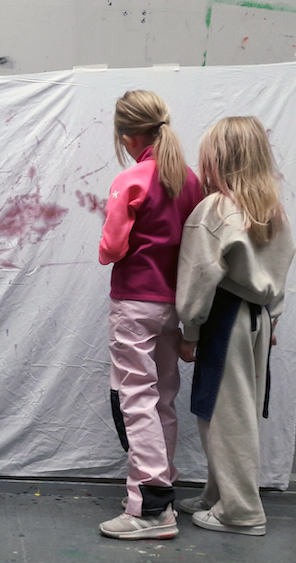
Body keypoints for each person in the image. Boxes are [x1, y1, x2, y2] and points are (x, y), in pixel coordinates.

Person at [175, 116, 296, 536]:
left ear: (218, 160)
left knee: (226, 416)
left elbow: (197, 277)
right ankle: (217, 494)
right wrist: (272, 318)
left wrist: (189, 332)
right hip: (259, 319)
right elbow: (280, 270)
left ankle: (242, 511)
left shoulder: (214, 209)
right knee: (230, 410)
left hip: (226, 319)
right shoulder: (271, 208)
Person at [97, 91, 205, 540]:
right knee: (162, 398)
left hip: (135, 303)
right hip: (172, 304)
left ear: (126, 134)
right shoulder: (191, 181)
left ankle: (150, 508)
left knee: (135, 398)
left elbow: (111, 250)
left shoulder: (132, 180)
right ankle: (164, 493)